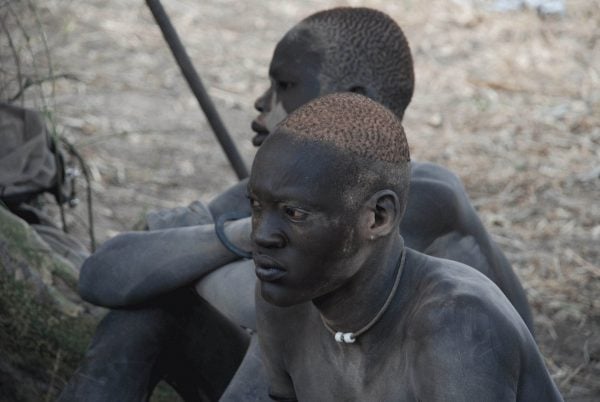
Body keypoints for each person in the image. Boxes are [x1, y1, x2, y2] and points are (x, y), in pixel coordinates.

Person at [60, 7, 533, 401]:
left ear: (351, 102)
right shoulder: (285, 195)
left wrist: (226, 249)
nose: (261, 104)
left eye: (285, 86)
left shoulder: (425, 198)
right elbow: (104, 276)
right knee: (159, 298)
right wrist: (243, 232)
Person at [236, 92, 562, 401]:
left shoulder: (456, 325)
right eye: (255, 206)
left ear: (378, 217)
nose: (262, 236)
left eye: (294, 213)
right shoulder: (285, 298)